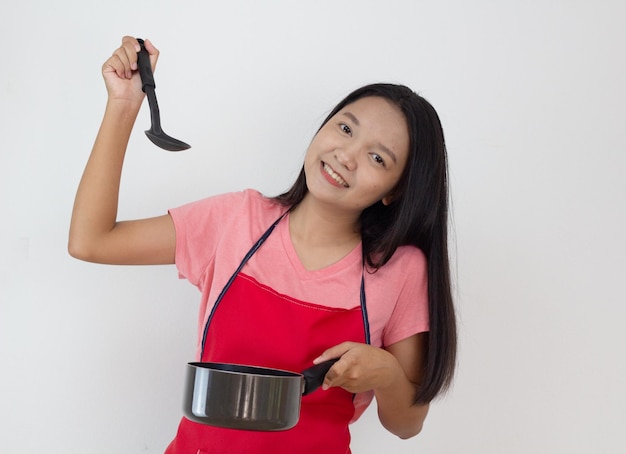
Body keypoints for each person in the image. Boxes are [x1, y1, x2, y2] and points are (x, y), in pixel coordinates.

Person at [69, 36, 457, 454]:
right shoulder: (235, 220)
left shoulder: (400, 270)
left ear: (395, 192)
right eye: (345, 128)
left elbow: (406, 425)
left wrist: (386, 374)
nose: (346, 155)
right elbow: (91, 241)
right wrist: (124, 106)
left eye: (378, 158)